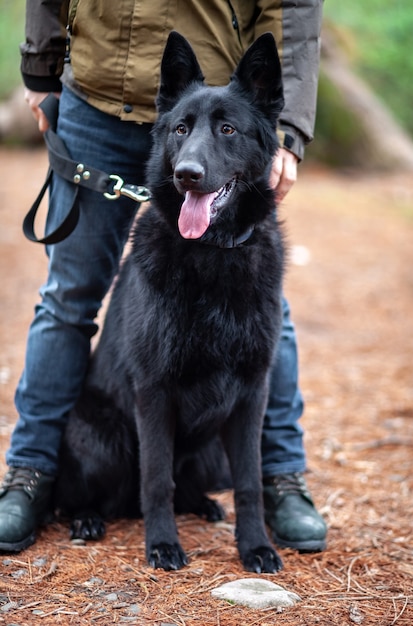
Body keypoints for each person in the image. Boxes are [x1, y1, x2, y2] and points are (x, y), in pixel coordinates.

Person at [0, 0, 326, 555]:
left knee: (267, 323)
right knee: (68, 299)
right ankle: (32, 474)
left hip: (221, 81)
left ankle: (281, 477)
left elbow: (291, 7)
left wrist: (288, 122)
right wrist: (40, 65)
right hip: (95, 93)